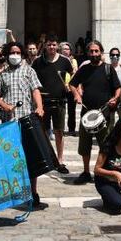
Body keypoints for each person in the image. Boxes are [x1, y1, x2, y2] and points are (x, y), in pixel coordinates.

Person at [0, 41, 48, 209]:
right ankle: (15, 191)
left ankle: (33, 191)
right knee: (13, 157)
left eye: (17, 52)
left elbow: (35, 90)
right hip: (10, 122)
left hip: (27, 119)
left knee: (31, 157)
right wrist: (5, 106)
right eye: (11, 52)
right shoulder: (2, 74)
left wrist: (40, 107)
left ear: (22, 54)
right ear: (7, 55)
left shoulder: (29, 70)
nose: (14, 55)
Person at [69, 40, 121, 184]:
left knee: (104, 145)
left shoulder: (108, 68)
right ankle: (86, 172)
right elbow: (72, 84)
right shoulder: (84, 69)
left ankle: (101, 171)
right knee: (84, 145)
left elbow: (118, 88)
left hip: (104, 113)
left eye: (96, 51)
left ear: (101, 52)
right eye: (91, 51)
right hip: (86, 113)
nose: (94, 54)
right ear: (87, 53)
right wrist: (77, 94)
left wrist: (115, 98)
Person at [31, 36, 73, 173]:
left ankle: (59, 160)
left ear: (57, 46)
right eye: (49, 45)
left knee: (59, 132)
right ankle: (47, 158)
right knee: (43, 132)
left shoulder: (65, 61)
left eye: (54, 45)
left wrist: (69, 86)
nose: (52, 47)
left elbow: (72, 76)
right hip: (43, 103)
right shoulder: (38, 62)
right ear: (45, 46)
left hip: (60, 102)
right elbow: (32, 80)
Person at [60, 42, 79, 136]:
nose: (66, 51)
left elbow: (75, 72)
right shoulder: (58, 60)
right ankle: (61, 129)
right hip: (61, 87)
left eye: (67, 49)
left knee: (72, 110)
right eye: (64, 49)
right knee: (61, 110)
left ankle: (71, 129)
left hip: (71, 88)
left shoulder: (73, 60)